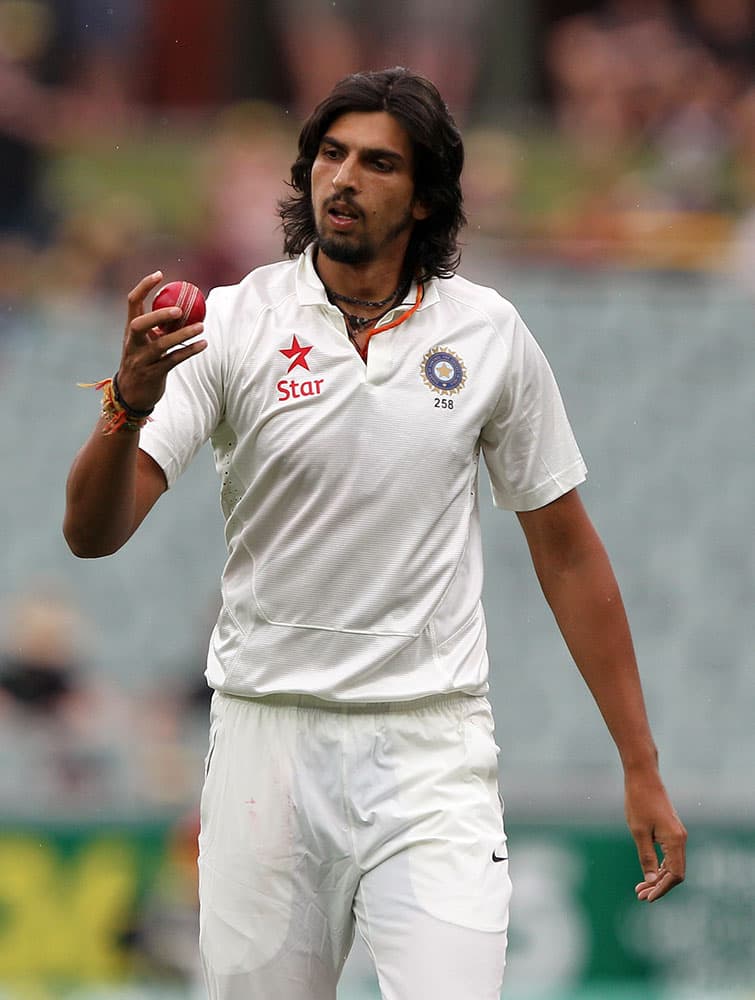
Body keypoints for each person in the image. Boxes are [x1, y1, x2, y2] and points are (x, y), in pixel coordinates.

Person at [63, 67, 686, 1000]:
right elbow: (92, 533)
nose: (342, 178)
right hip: (265, 747)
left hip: (430, 748)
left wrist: (640, 765)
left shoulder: (489, 335)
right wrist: (125, 406)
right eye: (330, 154)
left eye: (377, 163)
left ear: (425, 197)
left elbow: (565, 550)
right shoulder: (231, 325)